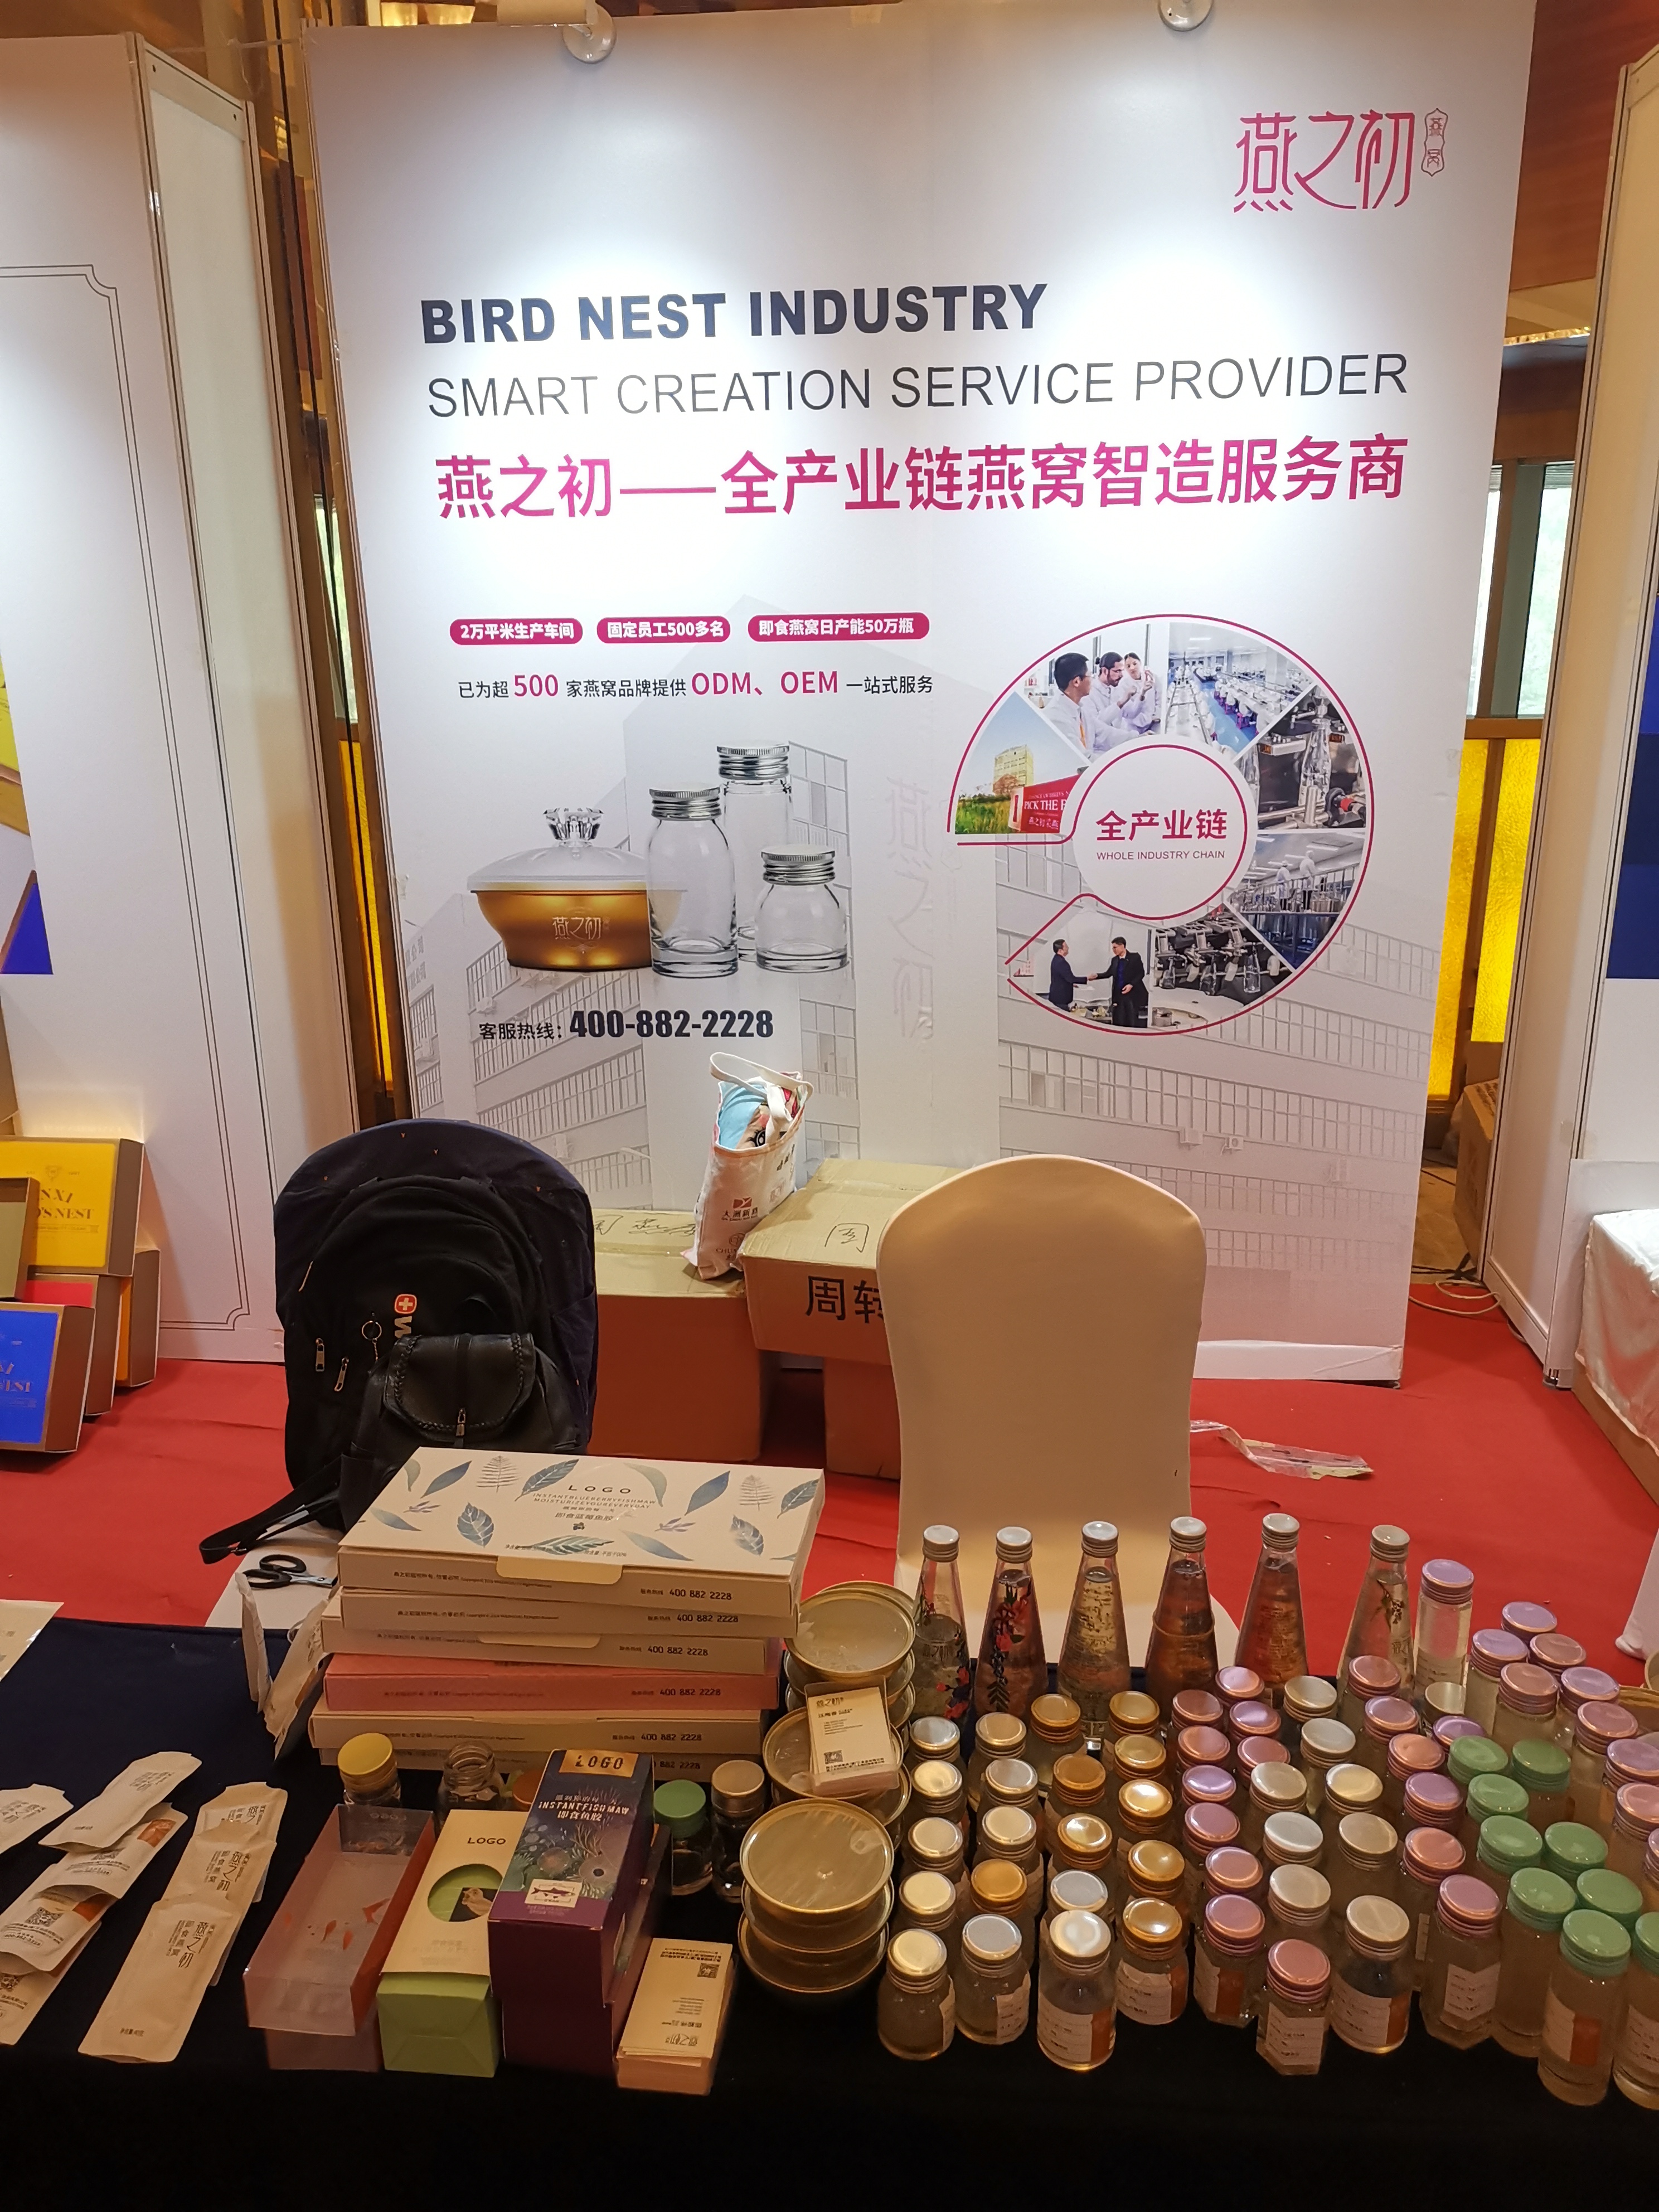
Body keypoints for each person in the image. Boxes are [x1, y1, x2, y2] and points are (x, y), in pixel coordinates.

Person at [1043, 652, 1092, 757]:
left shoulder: (1079, 708)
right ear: (1077, 682)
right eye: (1090, 676)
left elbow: (1103, 732)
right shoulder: (1056, 718)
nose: (1092, 680)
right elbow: (1083, 758)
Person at [1047, 937, 1099, 1010]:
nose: (1068, 948)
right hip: (1061, 999)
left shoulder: (1056, 959)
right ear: (1060, 950)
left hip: (1057, 996)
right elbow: (1071, 979)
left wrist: (1070, 984)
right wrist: (1087, 978)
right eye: (1066, 947)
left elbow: (1062, 977)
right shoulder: (1061, 963)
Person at [1118, 652, 1163, 734]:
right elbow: (1129, 710)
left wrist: (1156, 715)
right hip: (1133, 726)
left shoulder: (1152, 677)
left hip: (1154, 723)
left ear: (1140, 663)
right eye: (1128, 666)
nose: (1132, 668)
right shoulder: (1123, 685)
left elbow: (1160, 697)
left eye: (1135, 664)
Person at [1108, 935, 1147, 1026]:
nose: (1113, 950)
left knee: (1132, 1018)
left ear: (1122, 946)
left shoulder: (1135, 957)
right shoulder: (1115, 960)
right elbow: (1109, 973)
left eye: (1115, 948)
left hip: (1133, 995)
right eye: (1113, 948)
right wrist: (1096, 976)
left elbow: (1141, 973)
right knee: (1120, 1020)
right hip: (1120, 995)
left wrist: (1131, 985)